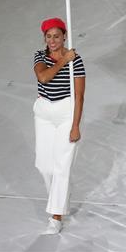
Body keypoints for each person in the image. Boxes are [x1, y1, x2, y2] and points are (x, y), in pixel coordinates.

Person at [33, 17, 85, 235]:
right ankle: (61, 198)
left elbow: (80, 96)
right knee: (44, 166)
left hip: (66, 112)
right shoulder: (40, 56)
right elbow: (44, 77)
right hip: (43, 113)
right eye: (49, 36)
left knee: (61, 166)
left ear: (64, 36)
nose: (52, 40)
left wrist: (75, 125)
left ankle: (56, 216)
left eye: (57, 36)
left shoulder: (77, 60)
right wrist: (64, 60)